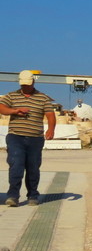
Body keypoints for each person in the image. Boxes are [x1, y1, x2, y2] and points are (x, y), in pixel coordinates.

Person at [0, 71, 56, 207]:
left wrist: (51, 129)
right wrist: (14, 111)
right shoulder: (12, 96)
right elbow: (1, 107)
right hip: (15, 137)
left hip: (35, 138)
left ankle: (33, 195)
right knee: (16, 164)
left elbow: (50, 115)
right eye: (23, 85)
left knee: (33, 167)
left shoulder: (43, 98)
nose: (26, 87)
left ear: (33, 82)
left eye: (28, 85)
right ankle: (13, 196)